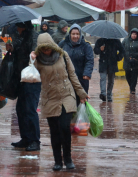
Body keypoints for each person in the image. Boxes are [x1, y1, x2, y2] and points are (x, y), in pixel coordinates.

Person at [30, 33, 88, 171]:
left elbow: (72, 75)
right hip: (49, 98)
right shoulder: (38, 60)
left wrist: (81, 93)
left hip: (66, 95)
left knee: (64, 127)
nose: (46, 51)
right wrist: (31, 60)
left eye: (48, 48)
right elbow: (30, 75)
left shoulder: (63, 55)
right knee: (54, 130)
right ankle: (57, 161)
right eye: (43, 49)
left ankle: (68, 159)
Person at [6, 21, 40, 152]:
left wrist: (32, 53)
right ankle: (25, 138)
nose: (16, 28)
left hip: (31, 79)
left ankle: (35, 140)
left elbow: (34, 53)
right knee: (20, 109)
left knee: (30, 110)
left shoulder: (33, 36)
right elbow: (18, 54)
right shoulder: (18, 36)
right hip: (21, 78)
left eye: (18, 26)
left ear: (23, 26)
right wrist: (12, 48)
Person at [58, 24, 94, 103]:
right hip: (66, 78)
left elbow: (89, 60)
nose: (75, 36)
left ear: (80, 34)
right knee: (68, 100)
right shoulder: (63, 44)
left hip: (81, 78)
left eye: (77, 34)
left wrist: (87, 73)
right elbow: (56, 57)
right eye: (73, 34)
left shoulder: (86, 46)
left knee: (81, 100)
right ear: (70, 34)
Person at [94, 37, 125, 102]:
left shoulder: (116, 41)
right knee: (103, 78)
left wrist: (117, 58)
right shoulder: (100, 41)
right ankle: (103, 94)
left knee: (111, 80)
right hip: (103, 63)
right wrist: (100, 49)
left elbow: (122, 51)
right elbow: (95, 51)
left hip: (112, 64)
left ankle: (109, 94)